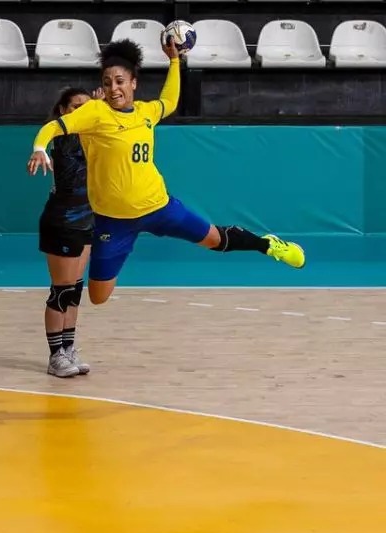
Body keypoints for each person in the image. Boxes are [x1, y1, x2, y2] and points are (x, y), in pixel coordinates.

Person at [27, 38, 305, 307]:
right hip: (114, 222)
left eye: (120, 81)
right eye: (107, 82)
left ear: (133, 83)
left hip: (158, 207)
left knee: (214, 239)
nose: (113, 88)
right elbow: (54, 127)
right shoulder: (95, 113)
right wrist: (40, 147)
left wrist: (174, 61)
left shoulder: (146, 112)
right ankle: (126, 246)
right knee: (98, 297)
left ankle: (267, 245)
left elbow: (169, 101)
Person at [38, 86, 102, 378]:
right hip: (63, 221)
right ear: (63, 111)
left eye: (86, 106)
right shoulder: (64, 139)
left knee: (75, 290)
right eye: (76, 107)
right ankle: (55, 358)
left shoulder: (95, 137)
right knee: (61, 293)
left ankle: (68, 348)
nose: (82, 111)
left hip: (86, 221)